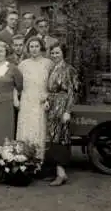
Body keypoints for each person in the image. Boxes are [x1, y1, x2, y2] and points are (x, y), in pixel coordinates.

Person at [45, 42, 80, 186]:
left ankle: (61, 173)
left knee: (61, 138)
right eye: (52, 53)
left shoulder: (69, 69)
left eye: (57, 53)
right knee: (53, 137)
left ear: (63, 53)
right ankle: (56, 171)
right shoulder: (52, 68)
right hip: (52, 106)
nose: (54, 55)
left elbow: (73, 92)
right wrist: (47, 100)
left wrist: (67, 111)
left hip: (62, 105)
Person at [16, 36, 53, 159]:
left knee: (39, 130)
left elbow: (53, 85)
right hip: (26, 100)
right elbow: (16, 84)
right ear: (28, 48)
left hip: (41, 101)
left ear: (41, 47)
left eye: (37, 46)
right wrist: (17, 99)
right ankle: (23, 160)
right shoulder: (23, 65)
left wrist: (48, 99)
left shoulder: (49, 64)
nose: (34, 49)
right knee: (26, 130)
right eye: (31, 46)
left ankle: (38, 160)